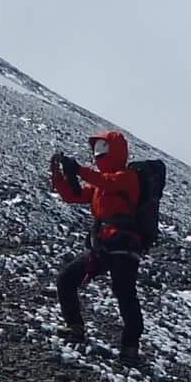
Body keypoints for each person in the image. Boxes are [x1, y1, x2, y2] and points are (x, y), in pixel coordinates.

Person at [50, 130, 146, 363]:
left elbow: (106, 181)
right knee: (66, 278)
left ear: (116, 151)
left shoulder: (129, 177)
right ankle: (75, 327)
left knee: (125, 294)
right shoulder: (100, 186)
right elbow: (73, 196)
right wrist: (58, 174)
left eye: (104, 149)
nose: (99, 154)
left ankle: (130, 347)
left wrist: (79, 170)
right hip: (104, 245)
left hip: (124, 245)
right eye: (97, 150)